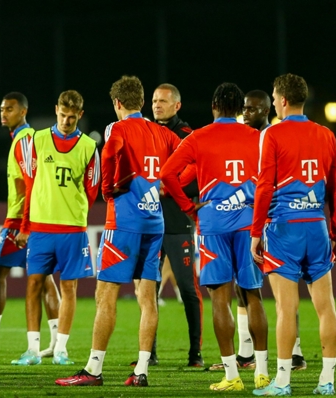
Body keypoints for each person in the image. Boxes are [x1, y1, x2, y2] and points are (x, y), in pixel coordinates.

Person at [56, 76, 178, 387]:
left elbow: (109, 155)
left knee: (105, 294)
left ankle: (94, 369)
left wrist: (108, 189)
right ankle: (141, 371)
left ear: (118, 104)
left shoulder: (117, 128)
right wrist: (169, 188)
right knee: (147, 296)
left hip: (123, 223)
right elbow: (186, 159)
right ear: (141, 100)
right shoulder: (162, 132)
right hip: (154, 222)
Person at [160, 82, 270, 392]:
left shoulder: (198, 137)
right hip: (249, 225)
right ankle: (261, 371)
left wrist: (188, 208)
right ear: (239, 110)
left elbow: (167, 175)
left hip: (213, 226)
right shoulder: (258, 138)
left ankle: (232, 376)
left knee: (220, 299)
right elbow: (269, 178)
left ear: (213, 107)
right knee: (253, 296)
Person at [251, 73, 336, 396]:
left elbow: (264, 186)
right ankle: (327, 381)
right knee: (326, 306)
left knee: (287, 310)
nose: (273, 102)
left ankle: (284, 381)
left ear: (284, 100)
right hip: (316, 225)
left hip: (284, 227)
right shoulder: (326, 135)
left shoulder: (272, 135)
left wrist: (256, 231)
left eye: (275, 98)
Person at [12, 90, 99, 367]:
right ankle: (32, 350)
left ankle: (60, 349)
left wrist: (74, 210)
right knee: (33, 285)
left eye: (72, 117)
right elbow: (30, 184)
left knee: (69, 287)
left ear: (80, 115)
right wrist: (25, 225)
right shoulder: (36, 140)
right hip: (40, 227)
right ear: (56, 110)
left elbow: (92, 189)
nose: (66, 121)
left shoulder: (88, 147)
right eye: (62, 115)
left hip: (72, 228)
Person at [0, 92, 61, 359]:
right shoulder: (22, 139)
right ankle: (58, 343)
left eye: (10, 109)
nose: (4, 113)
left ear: (23, 111)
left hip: (21, 219)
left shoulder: (25, 140)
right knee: (44, 277)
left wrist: (24, 225)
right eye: (2, 108)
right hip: (30, 217)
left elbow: (30, 185)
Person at [239, 90, 307, 372]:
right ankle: (245, 353)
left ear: (267, 109)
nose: (246, 114)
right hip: (253, 219)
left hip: (274, 221)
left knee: (284, 291)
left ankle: (295, 353)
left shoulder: (274, 135)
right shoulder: (246, 137)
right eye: (244, 108)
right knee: (245, 288)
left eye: (253, 109)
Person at [148, 83, 204, 367]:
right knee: (148, 290)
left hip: (176, 222)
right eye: (155, 100)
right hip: (149, 223)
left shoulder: (187, 136)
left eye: (163, 101)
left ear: (177, 106)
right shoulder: (145, 133)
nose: (157, 105)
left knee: (187, 288)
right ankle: (149, 354)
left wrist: (168, 188)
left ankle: (195, 353)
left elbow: (197, 178)